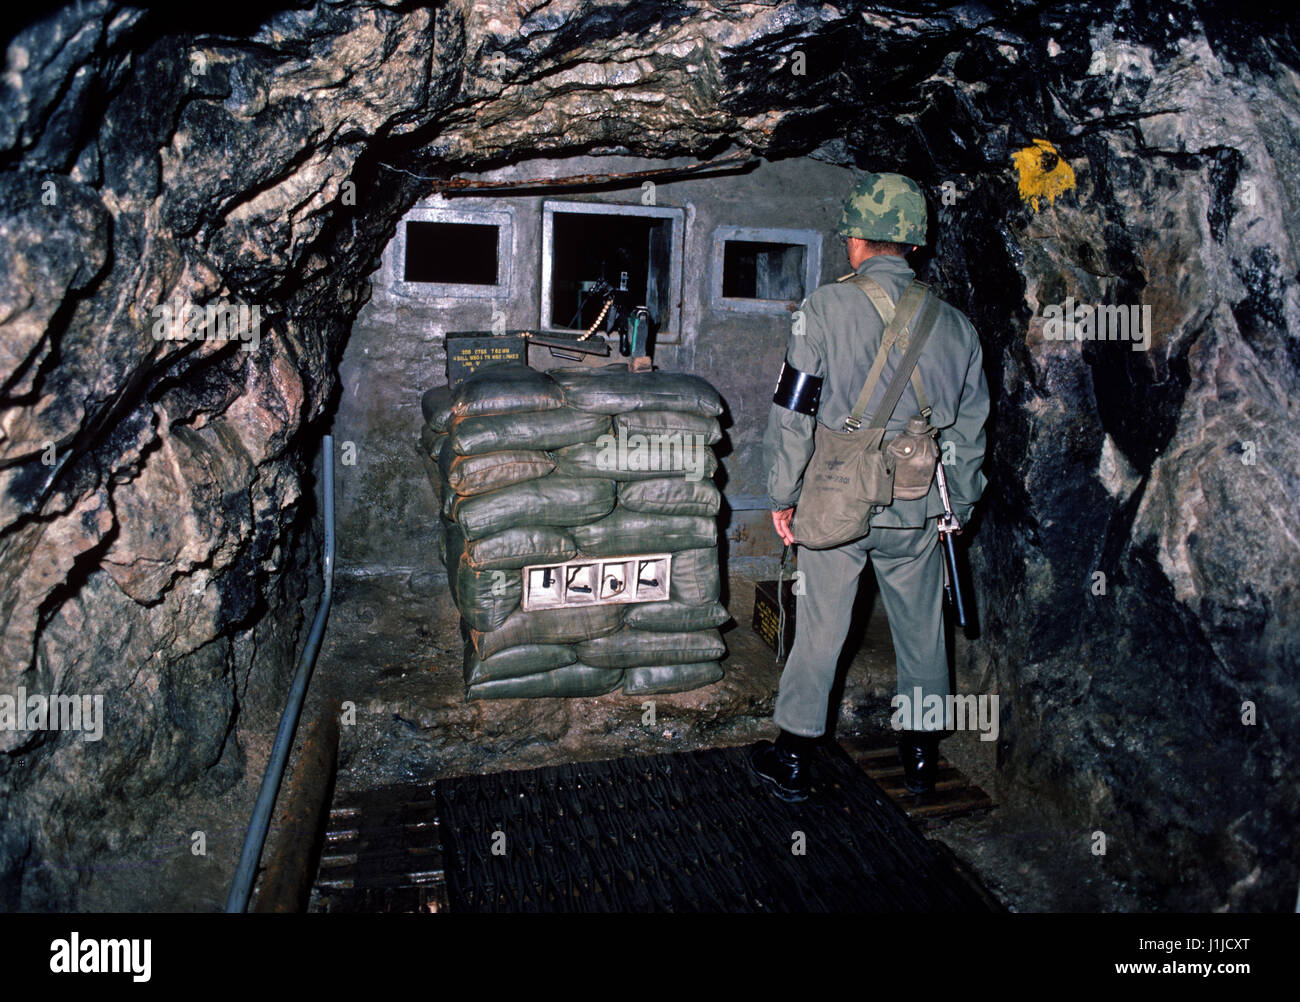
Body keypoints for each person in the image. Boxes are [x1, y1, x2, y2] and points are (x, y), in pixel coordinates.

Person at [751, 171, 989, 801]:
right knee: (921, 630)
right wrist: (955, 505)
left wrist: (783, 495)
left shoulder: (823, 309)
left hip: (835, 501)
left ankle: (795, 759)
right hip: (917, 505)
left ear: (856, 239)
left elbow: (793, 413)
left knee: (822, 628)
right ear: (912, 244)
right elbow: (969, 432)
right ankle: (920, 762)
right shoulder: (958, 327)